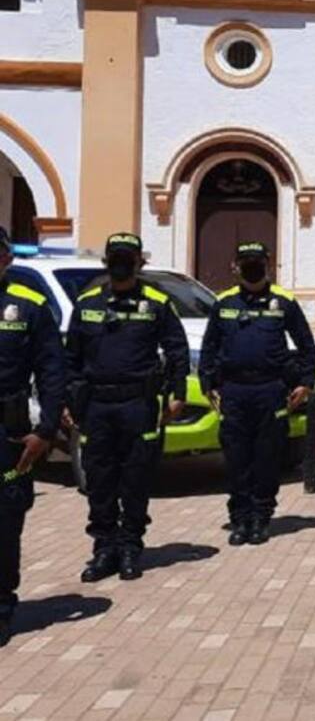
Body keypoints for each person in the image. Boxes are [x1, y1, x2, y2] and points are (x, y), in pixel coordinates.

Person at [66, 233, 188, 582]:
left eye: (128, 258)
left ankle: (132, 547)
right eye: (115, 257)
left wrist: (177, 393)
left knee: (136, 478)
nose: (122, 263)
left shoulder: (157, 303)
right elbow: (70, 357)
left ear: (140, 263)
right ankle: (104, 549)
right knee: (100, 480)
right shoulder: (87, 303)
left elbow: (177, 351)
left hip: (138, 404)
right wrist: (67, 400)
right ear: (106, 262)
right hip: (97, 407)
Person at [199, 242, 315, 546]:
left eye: (257, 261)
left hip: (270, 391)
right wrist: (208, 383)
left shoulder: (284, 302)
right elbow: (209, 348)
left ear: (268, 263)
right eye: (245, 262)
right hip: (234, 392)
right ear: (235, 266)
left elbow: (306, 345)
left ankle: (261, 518)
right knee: (237, 458)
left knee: (266, 457)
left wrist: (305, 383)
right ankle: (239, 518)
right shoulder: (223, 303)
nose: (252, 267)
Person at [0, 227, 66, 647]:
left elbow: (52, 371)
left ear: (6, 258)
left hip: (8, 435)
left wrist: (45, 431)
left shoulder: (31, 305)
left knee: (5, 522)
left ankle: (2, 607)